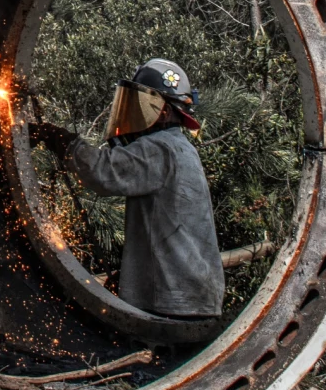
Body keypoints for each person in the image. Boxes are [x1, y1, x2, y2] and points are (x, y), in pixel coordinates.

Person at [29, 58, 225, 320]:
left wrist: (60, 140)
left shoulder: (159, 148)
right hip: (190, 294)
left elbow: (102, 172)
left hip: (174, 301)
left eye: (140, 106)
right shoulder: (180, 148)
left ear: (163, 110)